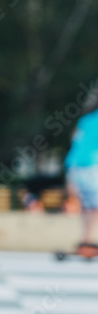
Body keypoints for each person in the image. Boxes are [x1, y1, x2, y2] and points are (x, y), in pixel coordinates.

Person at [64, 89, 98, 257]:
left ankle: (86, 239)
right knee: (94, 205)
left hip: (74, 165)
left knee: (87, 206)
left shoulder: (85, 120)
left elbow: (74, 141)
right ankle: (87, 242)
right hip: (92, 165)